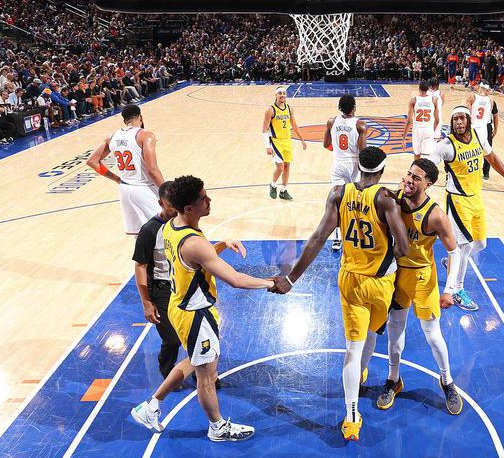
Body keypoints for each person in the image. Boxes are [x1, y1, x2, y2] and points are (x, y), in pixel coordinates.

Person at [270, 147, 409, 441]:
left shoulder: (338, 193)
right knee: (371, 336)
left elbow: (318, 237)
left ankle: (351, 416)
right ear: (382, 170)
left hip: (350, 281)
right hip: (381, 283)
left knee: (352, 350)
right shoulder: (386, 199)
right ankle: (361, 373)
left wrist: (292, 278)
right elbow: (404, 248)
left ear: (359, 167)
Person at [131, 175, 275, 442]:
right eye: (202, 198)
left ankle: (151, 406)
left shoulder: (172, 226)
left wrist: (219, 246)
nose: (209, 200)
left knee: (194, 361)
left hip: (180, 306)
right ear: (188, 207)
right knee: (207, 377)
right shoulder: (194, 242)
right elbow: (236, 279)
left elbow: (195, 262)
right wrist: (271, 283)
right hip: (195, 313)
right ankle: (217, 427)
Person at [371, 159, 464, 415]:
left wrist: (450, 289)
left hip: (423, 278)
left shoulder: (436, 215)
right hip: (397, 275)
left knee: (433, 335)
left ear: (428, 184)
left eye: (417, 177)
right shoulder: (393, 200)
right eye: (409, 174)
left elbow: (454, 252)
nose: (410, 180)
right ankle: (393, 379)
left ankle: (447, 382)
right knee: (395, 332)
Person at [432, 106, 504, 311]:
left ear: (468, 120)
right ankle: (456, 290)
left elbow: (492, 158)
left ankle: (451, 262)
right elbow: (426, 166)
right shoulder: (446, 146)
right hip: (457, 200)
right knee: (464, 246)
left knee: (480, 243)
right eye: (455, 119)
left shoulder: (479, 137)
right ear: (451, 123)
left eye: (462, 118)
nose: (459, 122)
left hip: (476, 198)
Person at [86, 104, 165, 234]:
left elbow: (92, 162)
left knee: (140, 235)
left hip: (125, 189)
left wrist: (117, 179)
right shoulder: (146, 135)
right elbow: (152, 169)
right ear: (140, 117)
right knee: (164, 230)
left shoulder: (112, 137)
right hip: (144, 188)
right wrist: (166, 191)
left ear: (124, 120)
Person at [132, 181, 181, 379]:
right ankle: (167, 371)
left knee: (194, 334)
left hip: (184, 286)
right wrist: (146, 302)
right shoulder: (149, 230)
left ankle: (203, 373)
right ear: (161, 203)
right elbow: (140, 267)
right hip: (162, 290)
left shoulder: (184, 223)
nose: (176, 209)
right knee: (173, 339)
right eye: (171, 205)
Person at [323, 94, 368, 251]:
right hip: (354, 164)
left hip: (338, 163)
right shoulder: (360, 125)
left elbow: (326, 144)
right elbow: (363, 151)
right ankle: (358, 234)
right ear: (354, 107)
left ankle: (336, 238)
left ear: (340, 108)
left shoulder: (331, 121)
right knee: (357, 201)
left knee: (337, 201)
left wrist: (338, 151)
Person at [263, 86, 307, 200]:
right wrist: (267, 146)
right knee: (280, 167)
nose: (282, 95)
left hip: (287, 140)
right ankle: (273, 185)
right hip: (276, 141)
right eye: (280, 93)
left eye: (284, 93)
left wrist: (302, 139)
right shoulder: (270, 110)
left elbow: (294, 125)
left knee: (287, 166)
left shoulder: (289, 108)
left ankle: (283, 190)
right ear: (276, 95)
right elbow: (265, 129)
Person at [402, 81, 439, 162]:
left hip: (417, 130)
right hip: (429, 130)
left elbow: (409, 121)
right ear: (428, 89)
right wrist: (432, 130)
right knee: (427, 158)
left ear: (419, 89)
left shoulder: (414, 100)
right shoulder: (433, 100)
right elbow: (437, 120)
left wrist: (404, 137)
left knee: (417, 155)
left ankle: (416, 169)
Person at [466, 83, 493, 153]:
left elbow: (467, 115)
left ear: (479, 87)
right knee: (482, 153)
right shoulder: (491, 99)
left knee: (471, 153)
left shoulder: (472, 97)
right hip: (483, 130)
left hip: (473, 129)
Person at [482, 99, 499, 180]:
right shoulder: (474, 99)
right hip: (477, 126)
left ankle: (486, 171)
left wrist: (495, 129)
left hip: (487, 126)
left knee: (487, 150)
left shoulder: (491, 101)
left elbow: (495, 115)